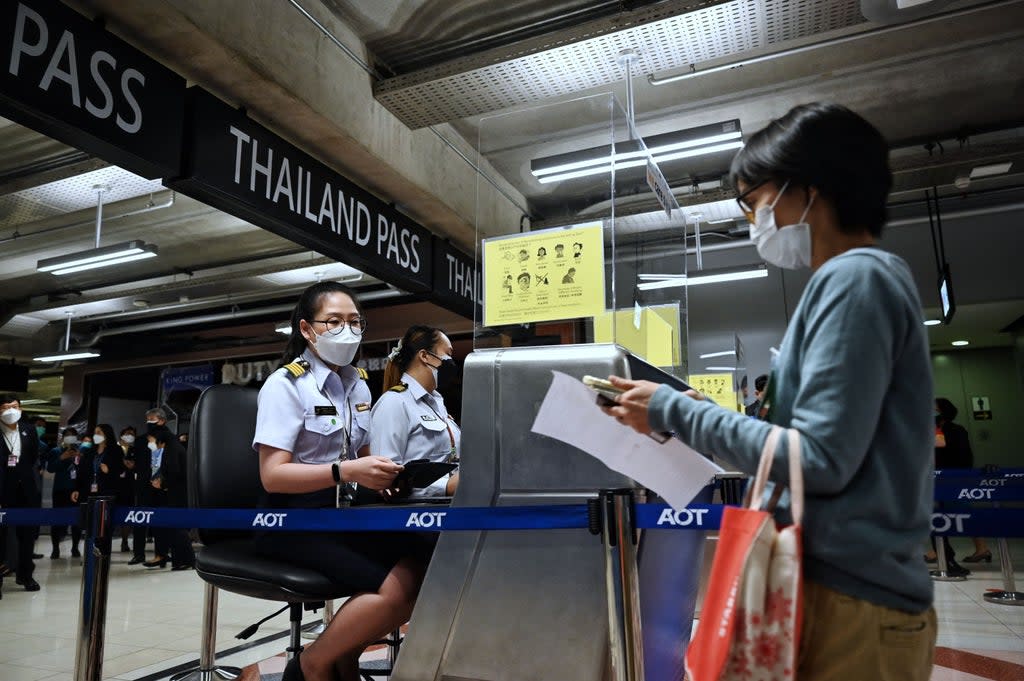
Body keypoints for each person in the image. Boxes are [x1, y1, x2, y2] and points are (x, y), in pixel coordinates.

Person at [603, 103, 936, 680]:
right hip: (847, 590)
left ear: (811, 189)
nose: (755, 219)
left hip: (852, 605)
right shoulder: (866, 278)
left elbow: (821, 460)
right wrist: (697, 413)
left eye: (756, 200)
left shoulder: (854, 279)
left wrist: (675, 411)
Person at [252, 281, 430, 681]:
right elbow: (273, 475)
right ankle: (313, 664)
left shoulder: (357, 384)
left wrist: (384, 473)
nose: (345, 331)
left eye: (354, 322)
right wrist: (346, 472)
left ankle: (342, 658)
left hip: (342, 512)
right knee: (396, 587)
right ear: (306, 330)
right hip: (290, 520)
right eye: (333, 322)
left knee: (426, 559)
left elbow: (361, 451)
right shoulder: (286, 385)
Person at [372, 325, 461, 498]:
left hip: (448, 509)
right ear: (425, 356)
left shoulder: (437, 404)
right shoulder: (394, 403)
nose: (451, 361)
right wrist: (446, 486)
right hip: (412, 515)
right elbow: (386, 481)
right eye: (447, 354)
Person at [927, 398, 989, 566]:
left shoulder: (948, 430)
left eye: (933, 408)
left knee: (961, 513)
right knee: (943, 514)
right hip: (946, 478)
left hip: (951, 479)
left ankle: (981, 548)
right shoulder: (944, 429)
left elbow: (945, 449)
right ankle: (937, 551)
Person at [0, 394, 41, 594]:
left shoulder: (29, 430)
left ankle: (25, 575)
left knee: (27, 536)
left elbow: (32, 457)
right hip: (2, 490)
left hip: (26, 489)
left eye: (14, 406)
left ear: (21, 408)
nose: (10, 411)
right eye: (5, 407)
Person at [144, 426, 194, 570]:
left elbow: (175, 472)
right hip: (172, 494)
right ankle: (180, 559)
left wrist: (163, 484)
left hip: (176, 495)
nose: (150, 443)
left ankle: (185, 560)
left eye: (151, 440)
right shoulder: (171, 448)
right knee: (174, 528)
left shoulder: (172, 449)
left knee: (177, 528)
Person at [47, 427, 83, 559]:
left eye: (73, 436)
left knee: (76, 521)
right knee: (57, 520)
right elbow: (50, 468)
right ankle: (55, 549)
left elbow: (83, 471)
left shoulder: (81, 451)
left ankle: (75, 548)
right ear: (62, 437)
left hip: (76, 489)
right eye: (67, 435)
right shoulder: (55, 451)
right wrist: (62, 457)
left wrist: (80, 458)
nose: (70, 438)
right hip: (60, 489)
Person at [122, 424, 151, 564]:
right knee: (139, 520)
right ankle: (138, 553)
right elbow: (133, 465)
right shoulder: (140, 443)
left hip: (157, 486)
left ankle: (161, 553)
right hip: (139, 486)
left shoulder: (165, 442)